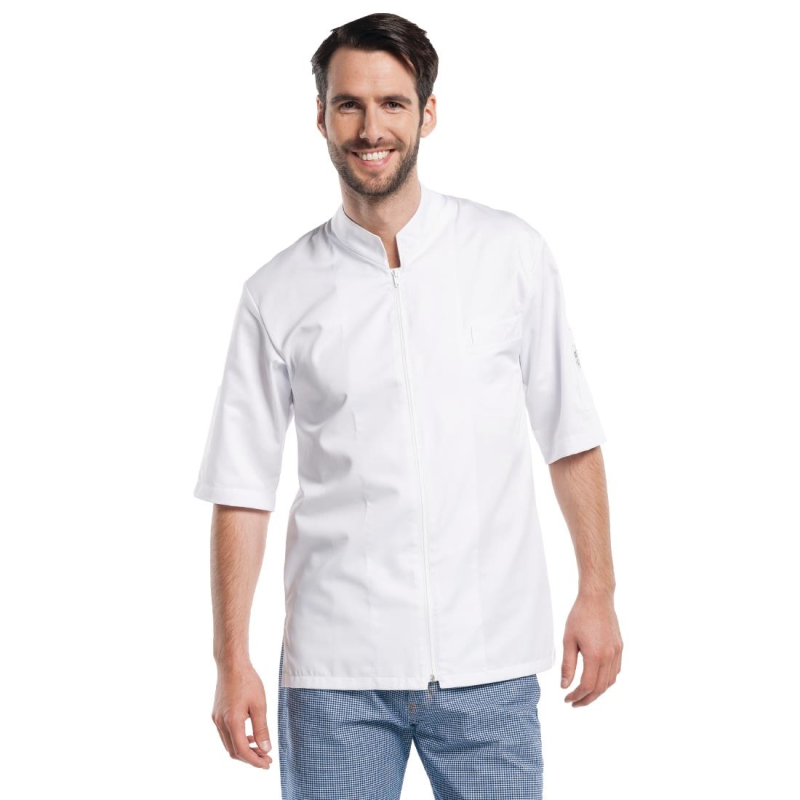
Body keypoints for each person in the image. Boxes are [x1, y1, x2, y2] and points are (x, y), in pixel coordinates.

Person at [194, 12, 622, 800]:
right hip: (335, 677)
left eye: (392, 103)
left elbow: (569, 434)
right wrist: (231, 661)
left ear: (427, 112)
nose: (371, 128)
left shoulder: (511, 255)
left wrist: (597, 592)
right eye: (349, 105)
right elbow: (241, 488)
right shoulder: (276, 292)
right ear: (320, 117)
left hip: (490, 659)